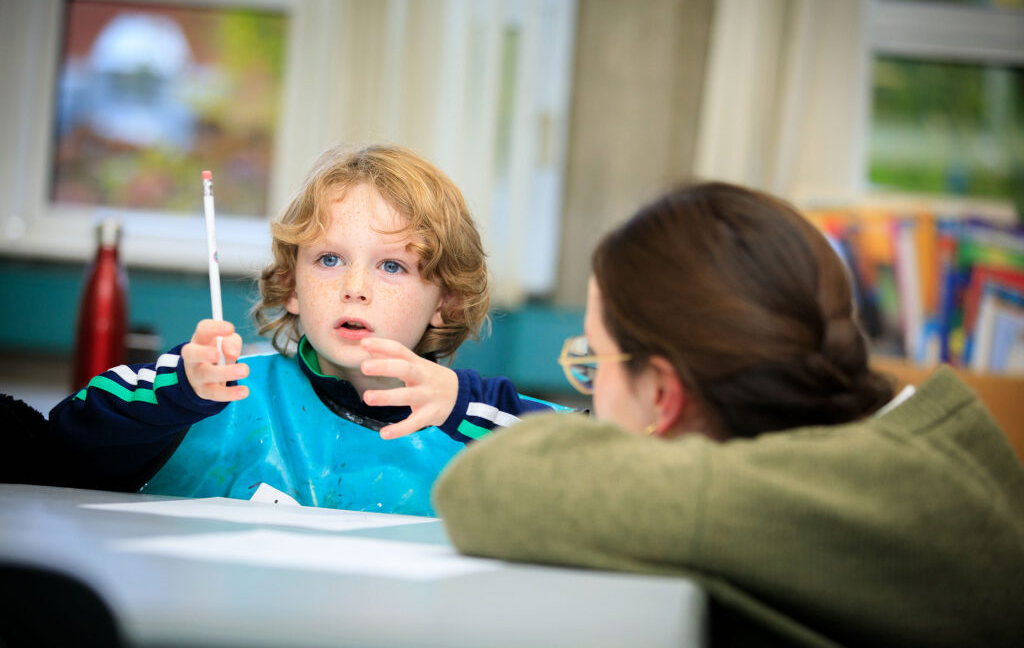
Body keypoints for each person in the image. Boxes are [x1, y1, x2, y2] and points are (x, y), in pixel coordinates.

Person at [434, 182, 1024, 646]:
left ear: (662, 396)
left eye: (594, 359)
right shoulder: (930, 447)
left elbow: (486, 487)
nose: (590, 384)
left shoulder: (813, 498)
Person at [48, 143, 569, 516]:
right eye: (329, 259)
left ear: (446, 302)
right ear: (291, 286)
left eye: (392, 266)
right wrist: (178, 388)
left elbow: (598, 462)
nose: (354, 288)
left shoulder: (475, 419)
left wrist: (461, 404)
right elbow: (63, 443)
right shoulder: (212, 393)